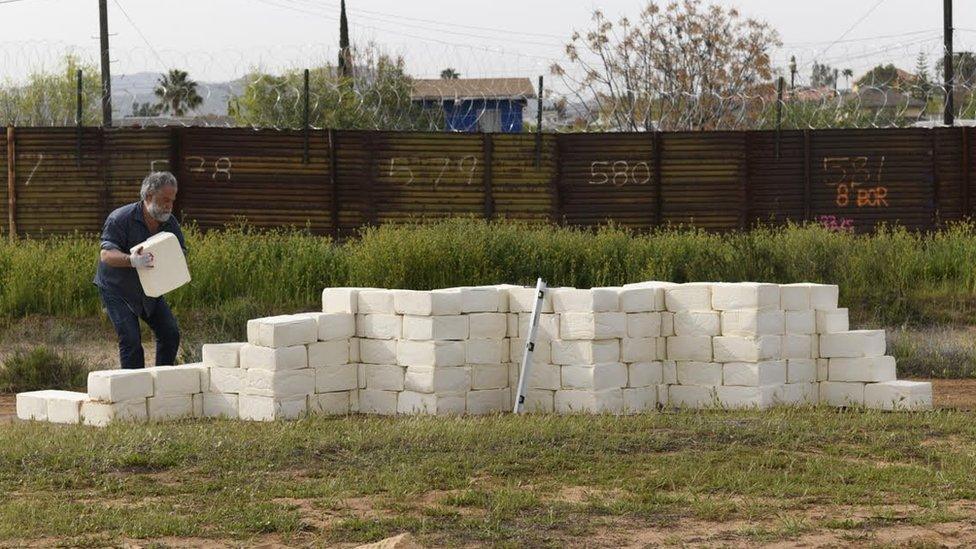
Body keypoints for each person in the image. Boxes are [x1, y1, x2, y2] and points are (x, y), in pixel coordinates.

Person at [93, 171, 187, 369]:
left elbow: (180, 253)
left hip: (149, 288)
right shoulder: (120, 218)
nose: (169, 205)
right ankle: (134, 394)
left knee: (170, 334)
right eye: (164, 200)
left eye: (172, 200)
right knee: (131, 341)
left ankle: (162, 384)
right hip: (117, 290)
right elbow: (106, 255)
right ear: (149, 196)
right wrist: (131, 260)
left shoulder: (170, 223)